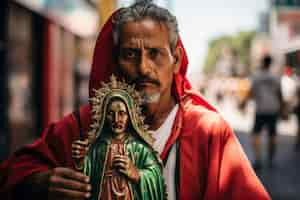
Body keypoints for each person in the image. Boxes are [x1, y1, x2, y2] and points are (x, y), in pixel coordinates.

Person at [0, 1, 270, 199]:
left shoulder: (207, 131)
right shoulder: (84, 125)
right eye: (130, 54)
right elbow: (12, 173)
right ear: (115, 62)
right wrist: (40, 183)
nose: (143, 68)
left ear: (175, 61)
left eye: (155, 54)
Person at [72, 75, 165, 200]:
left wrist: (137, 174)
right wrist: (81, 160)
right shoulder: (98, 147)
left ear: (130, 116)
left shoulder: (139, 149)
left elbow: (155, 175)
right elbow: (87, 177)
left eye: (122, 113)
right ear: (105, 116)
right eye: (111, 113)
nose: (117, 119)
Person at [249, 55, 283, 170]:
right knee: (272, 135)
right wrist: (282, 108)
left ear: (262, 62)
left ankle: (258, 160)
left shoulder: (256, 76)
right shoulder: (276, 77)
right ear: (270, 63)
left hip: (260, 109)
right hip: (273, 109)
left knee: (256, 134)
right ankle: (270, 158)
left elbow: (251, 92)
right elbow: (280, 94)